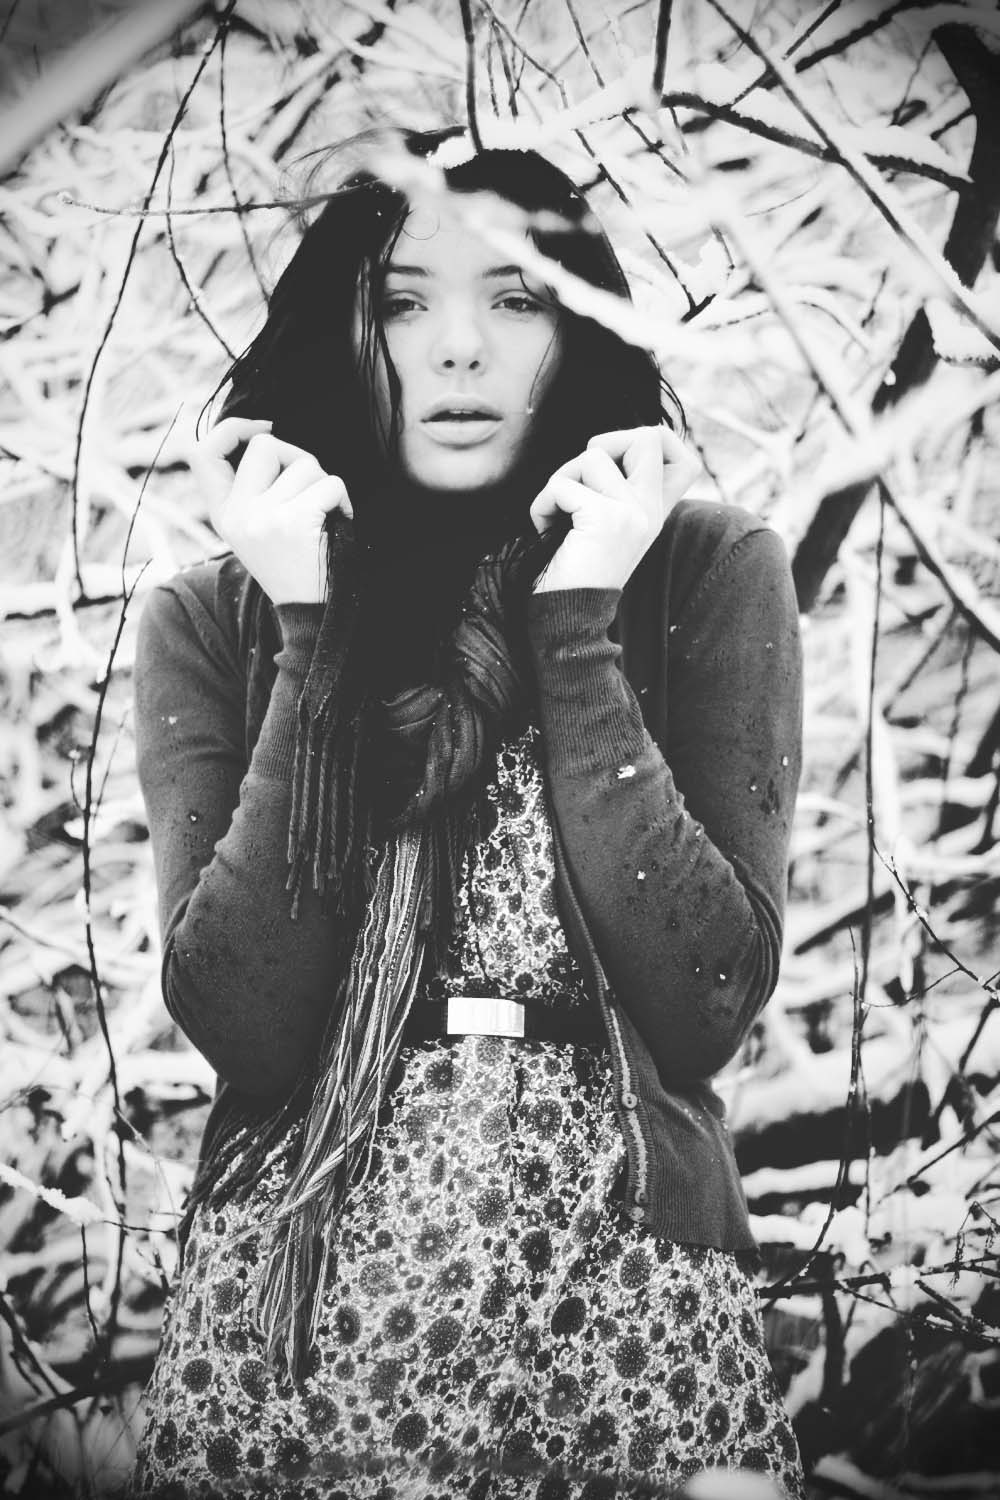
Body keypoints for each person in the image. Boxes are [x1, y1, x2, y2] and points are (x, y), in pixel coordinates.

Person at [129, 126, 805, 1500]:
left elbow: (706, 1000)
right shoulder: (217, 614)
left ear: (582, 327)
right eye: (403, 302)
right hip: (301, 1310)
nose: (457, 349)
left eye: (516, 298)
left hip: (616, 1297)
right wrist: (311, 631)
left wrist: (578, 625)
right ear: (344, 333)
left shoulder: (700, 571)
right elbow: (246, 1025)